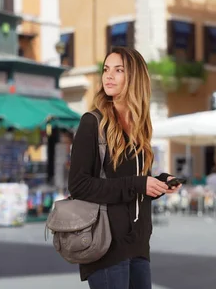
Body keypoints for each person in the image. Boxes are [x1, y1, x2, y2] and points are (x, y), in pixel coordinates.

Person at [68, 46, 180, 289]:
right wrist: (140, 184)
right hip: (106, 243)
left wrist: (159, 182)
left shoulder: (140, 127)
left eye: (118, 70)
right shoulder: (92, 123)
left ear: (134, 78)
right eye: (106, 69)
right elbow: (79, 185)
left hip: (138, 243)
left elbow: (132, 181)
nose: (108, 76)